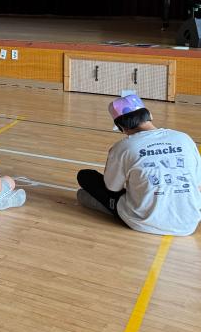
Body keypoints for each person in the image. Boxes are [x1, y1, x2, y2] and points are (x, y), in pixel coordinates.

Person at [76, 94, 201, 236]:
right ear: (150, 115)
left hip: (142, 222)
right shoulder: (184, 138)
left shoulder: (123, 147)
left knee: (85, 177)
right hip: (189, 222)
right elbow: (198, 185)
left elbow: (112, 188)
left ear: (121, 127)